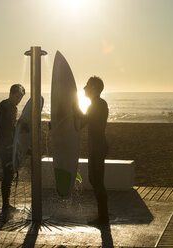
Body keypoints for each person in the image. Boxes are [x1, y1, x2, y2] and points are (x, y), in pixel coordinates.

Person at [76, 76, 109, 225]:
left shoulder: (99, 104)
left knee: (97, 181)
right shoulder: (94, 104)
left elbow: (84, 121)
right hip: (94, 146)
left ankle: (103, 217)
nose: (84, 88)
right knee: (93, 179)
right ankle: (102, 214)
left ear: (94, 88)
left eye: (87, 85)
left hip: (98, 146)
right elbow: (82, 123)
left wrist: (74, 108)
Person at [0, 84, 25, 216]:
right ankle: (5, 205)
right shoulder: (4, 107)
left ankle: (6, 204)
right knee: (8, 174)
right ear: (11, 94)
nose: (19, 100)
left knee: (10, 174)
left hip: (9, 144)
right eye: (17, 96)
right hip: (4, 145)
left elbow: (12, 127)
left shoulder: (12, 107)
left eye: (21, 98)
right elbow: (6, 127)